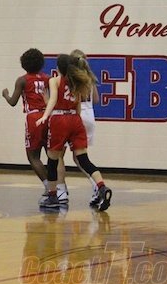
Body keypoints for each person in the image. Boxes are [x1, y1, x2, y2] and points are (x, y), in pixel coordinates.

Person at [36, 54, 112, 211]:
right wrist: (75, 121)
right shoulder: (77, 81)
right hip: (75, 119)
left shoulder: (55, 80)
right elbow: (77, 105)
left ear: (58, 68)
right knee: (83, 159)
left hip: (59, 119)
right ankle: (101, 187)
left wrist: (44, 116)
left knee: (53, 159)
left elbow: (53, 100)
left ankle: (52, 195)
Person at [2, 48, 68, 204]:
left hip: (34, 118)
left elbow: (13, 102)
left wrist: (5, 94)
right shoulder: (48, 78)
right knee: (53, 156)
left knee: (33, 156)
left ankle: (49, 188)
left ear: (24, 64)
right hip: (49, 115)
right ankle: (60, 189)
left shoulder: (22, 80)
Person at [70, 49, 100, 206]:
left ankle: (96, 185)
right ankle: (96, 185)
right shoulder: (90, 77)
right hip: (90, 115)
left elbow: (72, 99)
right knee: (80, 157)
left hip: (78, 115)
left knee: (75, 157)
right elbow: (96, 99)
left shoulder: (73, 78)